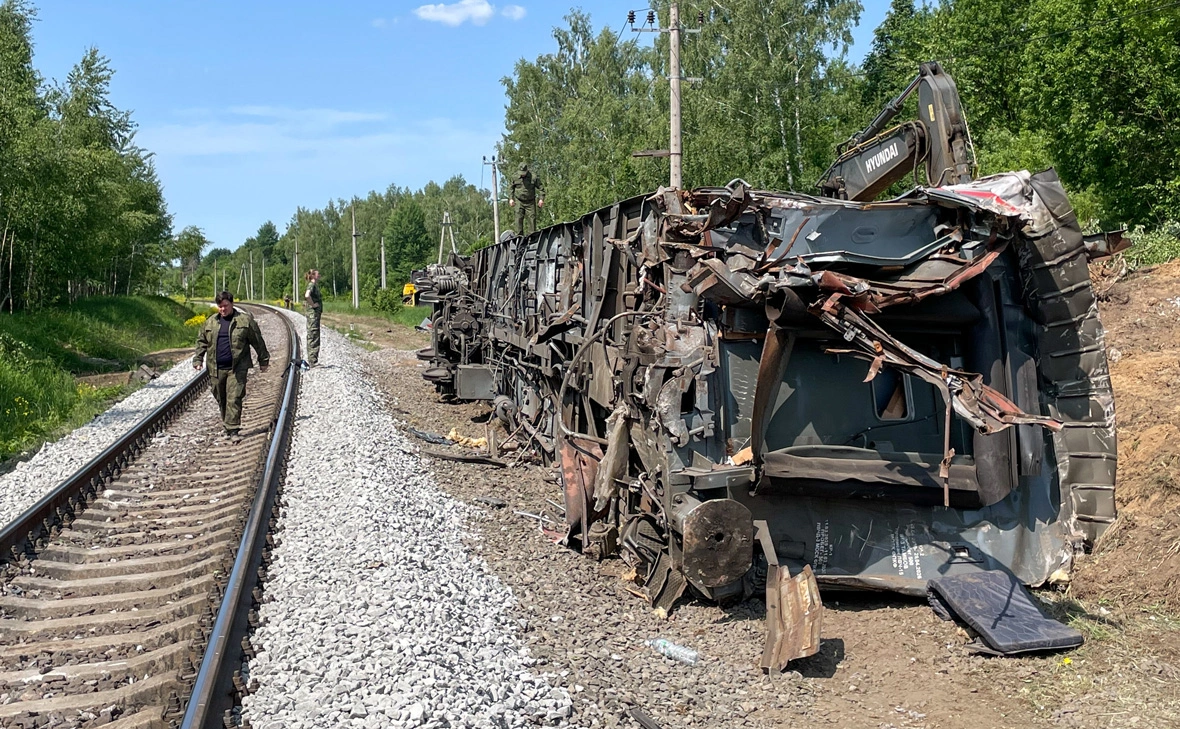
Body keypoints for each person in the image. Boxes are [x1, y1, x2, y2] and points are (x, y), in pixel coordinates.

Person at [193, 291, 270, 437]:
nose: (223, 309)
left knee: (234, 398)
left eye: (226, 306)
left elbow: (258, 341)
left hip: (237, 367)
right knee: (221, 398)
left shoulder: (245, 321)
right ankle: (227, 426)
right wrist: (198, 359)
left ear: (232, 304)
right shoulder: (210, 322)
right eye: (220, 306)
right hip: (216, 369)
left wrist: (263, 360)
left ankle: (233, 429)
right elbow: (201, 342)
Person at [509, 162, 544, 235]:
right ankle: (519, 239)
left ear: (527, 171)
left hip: (530, 202)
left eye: (523, 173)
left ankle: (532, 239)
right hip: (519, 201)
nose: (522, 174)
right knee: (518, 220)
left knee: (532, 220)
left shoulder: (533, 177)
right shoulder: (515, 177)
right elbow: (511, 188)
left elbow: (541, 188)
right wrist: (511, 199)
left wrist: (541, 199)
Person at [304, 269, 323, 366]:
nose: (319, 275)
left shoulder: (314, 285)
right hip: (313, 315)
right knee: (313, 336)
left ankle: (313, 360)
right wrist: (313, 305)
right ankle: (313, 361)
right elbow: (307, 295)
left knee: (313, 335)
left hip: (314, 315)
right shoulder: (311, 285)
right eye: (317, 273)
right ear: (313, 276)